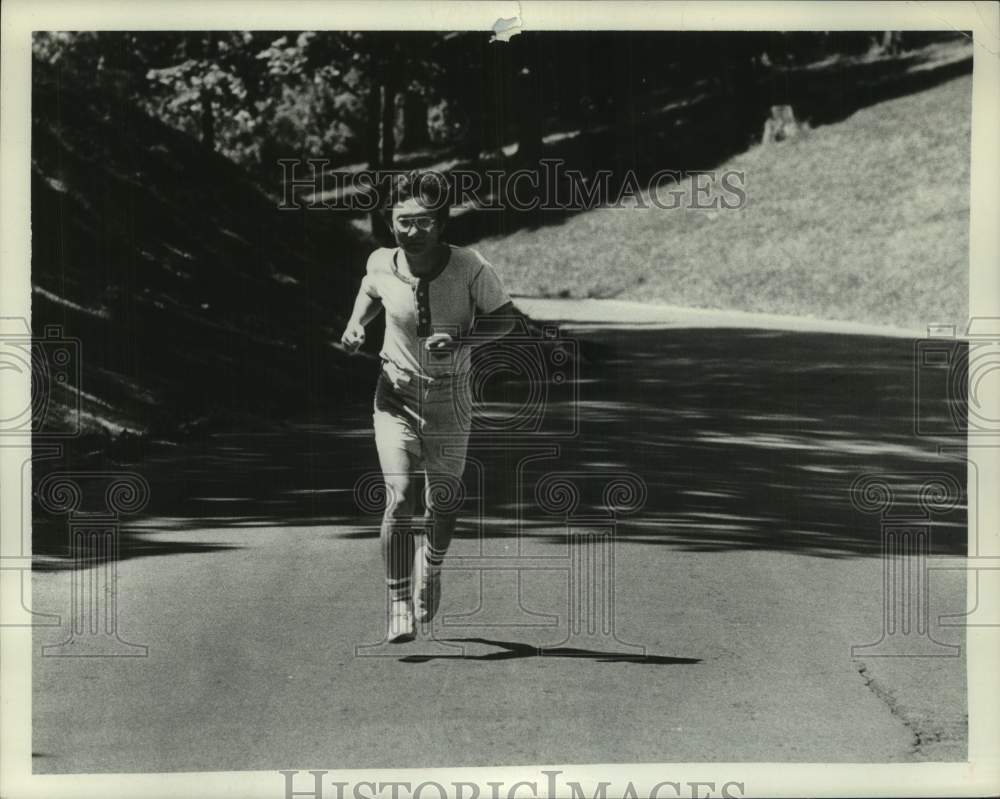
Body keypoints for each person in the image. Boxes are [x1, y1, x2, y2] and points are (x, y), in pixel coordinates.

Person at [341, 170, 516, 642]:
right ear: (390, 222)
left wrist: (461, 339)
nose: (413, 231)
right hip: (394, 395)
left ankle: (430, 567)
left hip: (449, 398)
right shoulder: (381, 261)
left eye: (423, 221)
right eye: (403, 221)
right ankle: (398, 601)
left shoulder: (469, 266)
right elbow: (370, 290)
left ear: (440, 224)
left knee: (443, 501)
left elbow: (505, 320)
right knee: (399, 498)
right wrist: (356, 325)